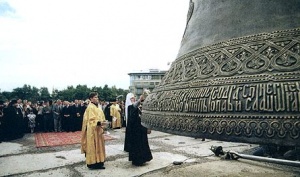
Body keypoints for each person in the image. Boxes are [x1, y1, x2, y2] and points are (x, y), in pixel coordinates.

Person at [81, 92, 107, 170]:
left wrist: (104, 122)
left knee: (99, 146)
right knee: (93, 146)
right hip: (93, 130)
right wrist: (99, 122)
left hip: (99, 130)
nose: (97, 99)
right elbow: (91, 120)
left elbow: (101, 116)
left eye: (97, 97)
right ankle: (93, 163)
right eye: (95, 97)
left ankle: (100, 162)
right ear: (91, 99)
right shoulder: (90, 107)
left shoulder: (98, 107)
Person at [127, 94, 153, 166]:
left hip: (141, 129)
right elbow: (133, 107)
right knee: (137, 146)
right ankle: (137, 160)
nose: (133, 99)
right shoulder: (130, 107)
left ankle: (143, 159)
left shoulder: (139, 107)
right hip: (135, 131)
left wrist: (148, 127)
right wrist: (139, 100)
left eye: (134, 98)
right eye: (131, 98)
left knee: (143, 144)